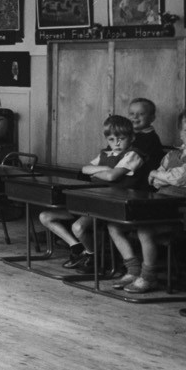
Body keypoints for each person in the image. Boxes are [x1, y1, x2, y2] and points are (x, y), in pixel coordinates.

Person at [106, 107, 186, 293]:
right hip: (160, 206)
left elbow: (179, 177)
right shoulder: (171, 155)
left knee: (144, 229)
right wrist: (160, 175)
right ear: (180, 133)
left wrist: (164, 176)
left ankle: (148, 277)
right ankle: (134, 270)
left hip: (184, 213)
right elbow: (155, 182)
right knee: (114, 225)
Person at [42, 115, 144, 272]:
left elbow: (111, 176)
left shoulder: (133, 155)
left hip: (113, 205)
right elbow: (85, 169)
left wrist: (99, 173)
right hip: (92, 201)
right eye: (111, 139)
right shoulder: (105, 154)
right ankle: (77, 248)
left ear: (132, 138)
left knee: (78, 227)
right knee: (45, 216)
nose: (116, 144)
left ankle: (92, 255)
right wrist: (107, 169)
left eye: (121, 139)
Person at [127, 97, 163, 173]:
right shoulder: (125, 134)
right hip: (123, 169)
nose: (135, 117)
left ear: (152, 118)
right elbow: (114, 147)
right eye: (131, 113)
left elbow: (136, 159)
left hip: (141, 175)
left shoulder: (151, 139)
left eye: (141, 114)